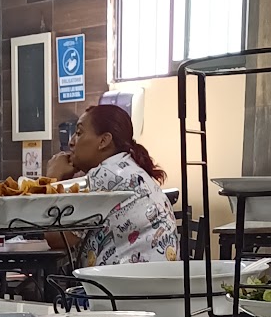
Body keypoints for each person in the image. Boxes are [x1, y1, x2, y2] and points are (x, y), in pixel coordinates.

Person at [48, 102, 180, 273]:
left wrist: (52, 179)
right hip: (155, 284)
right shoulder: (125, 168)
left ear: (104, 141)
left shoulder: (105, 175)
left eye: (79, 133)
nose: (71, 142)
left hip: (123, 287)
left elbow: (56, 239)